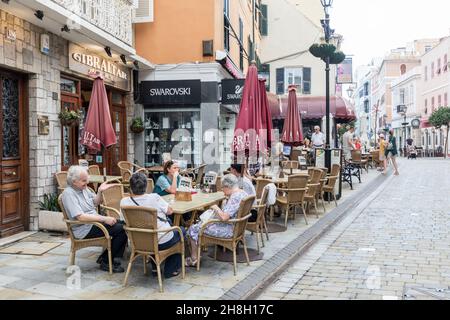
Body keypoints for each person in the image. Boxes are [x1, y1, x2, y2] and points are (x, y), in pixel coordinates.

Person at [61, 166, 128, 273]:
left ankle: (106, 258)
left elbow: (96, 202)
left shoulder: (84, 189)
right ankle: (106, 261)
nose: (87, 182)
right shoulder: (68, 194)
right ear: (74, 182)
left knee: (126, 224)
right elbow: (80, 217)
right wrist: (104, 218)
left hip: (94, 223)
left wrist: (100, 191)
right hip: (84, 229)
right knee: (122, 229)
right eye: (84, 180)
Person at [120, 172, 183, 278]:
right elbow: (170, 211)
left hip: (138, 242)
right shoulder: (154, 198)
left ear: (130, 187)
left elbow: (122, 220)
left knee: (151, 233)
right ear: (146, 186)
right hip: (160, 241)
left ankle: (155, 267)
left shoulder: (124, 202)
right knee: (181, 231)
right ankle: (170, 270)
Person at [185, 174, 248, 266]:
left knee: (193, 228)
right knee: (202, 224)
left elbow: (224, 217)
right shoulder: (243, 193)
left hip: (229, 230)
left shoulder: (235, 197)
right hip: (237, 229)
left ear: (228, 186)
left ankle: (194, 259)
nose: (222, 189)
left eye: (223, 187)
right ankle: (199, 251)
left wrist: (215, 207)